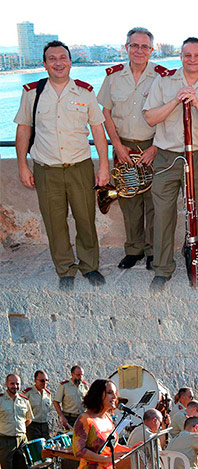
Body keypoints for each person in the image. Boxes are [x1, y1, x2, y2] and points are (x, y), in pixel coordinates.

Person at [14, 40, 108, 287]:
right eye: (52, 58)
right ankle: (65, 269)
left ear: (70, 62)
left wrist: (104, 166)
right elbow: (24, 129)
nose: (58, 62)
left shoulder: (85, 93)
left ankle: (90, 267)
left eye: (63, 57)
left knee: (85, 220)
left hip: (80, 167)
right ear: (44, 64)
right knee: (55, 222)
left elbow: (98, 131)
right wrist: (22, 165)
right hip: (47, 170)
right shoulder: (32, 93)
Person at [144, 37, 198, 287]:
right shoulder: (164, 81)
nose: (192, 60)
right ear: (181, 56)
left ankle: (193, 253)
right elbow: (150, 118)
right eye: (187, 55)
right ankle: (162, 267)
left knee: (197, 211)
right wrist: (176, 101)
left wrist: (197, 104)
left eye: (197, 55)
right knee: (163, 212)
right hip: (167, 156)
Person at [97, 27, 159, 270]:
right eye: (135, 45)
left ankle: (154, 251)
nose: (139, 50)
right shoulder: (113, 76)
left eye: (145, 46)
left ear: (151, 50)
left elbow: (168, 116)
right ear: (126, 47)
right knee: (129, 201)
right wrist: (117, 146)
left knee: (154, 202)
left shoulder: (162, 76)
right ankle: (134, 250)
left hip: (152, 148)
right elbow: (106, 113)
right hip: (123, 147)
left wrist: (155, 148)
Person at [0, 373, 34, 469]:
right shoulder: (1, 400)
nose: (15, 386)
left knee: (22, 468)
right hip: (4, 440)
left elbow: (28, 419)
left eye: (17, 384)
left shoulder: (24, 400)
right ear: (6, 384)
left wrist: (18, 430)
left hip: (21, 439)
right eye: (12, 383)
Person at [23, 370, 54, 469]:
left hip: (44, 425)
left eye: (46, 380)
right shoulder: (28, 393)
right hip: (32, 425)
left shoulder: (48, 394)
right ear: (35, 381)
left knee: (47, 453)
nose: (44, 383)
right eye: (42, 380)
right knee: (34, 454)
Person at [54, 366, 90, 431]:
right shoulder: (64, 386)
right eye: (78, 375)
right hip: (69, 418)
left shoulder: (85, 386)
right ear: (72, 374)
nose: (80, 377)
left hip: (82, 418)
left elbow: (89, 402)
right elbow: (56, 402)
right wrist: (62, 416)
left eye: (82, 375)